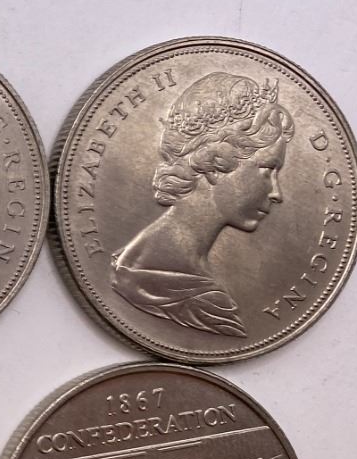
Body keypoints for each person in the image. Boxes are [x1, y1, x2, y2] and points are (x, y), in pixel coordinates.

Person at [109, 73, 294, 338]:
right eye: (267, 170)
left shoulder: (158, 263)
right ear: (215, 163)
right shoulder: (155, 276)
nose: (276, 193)